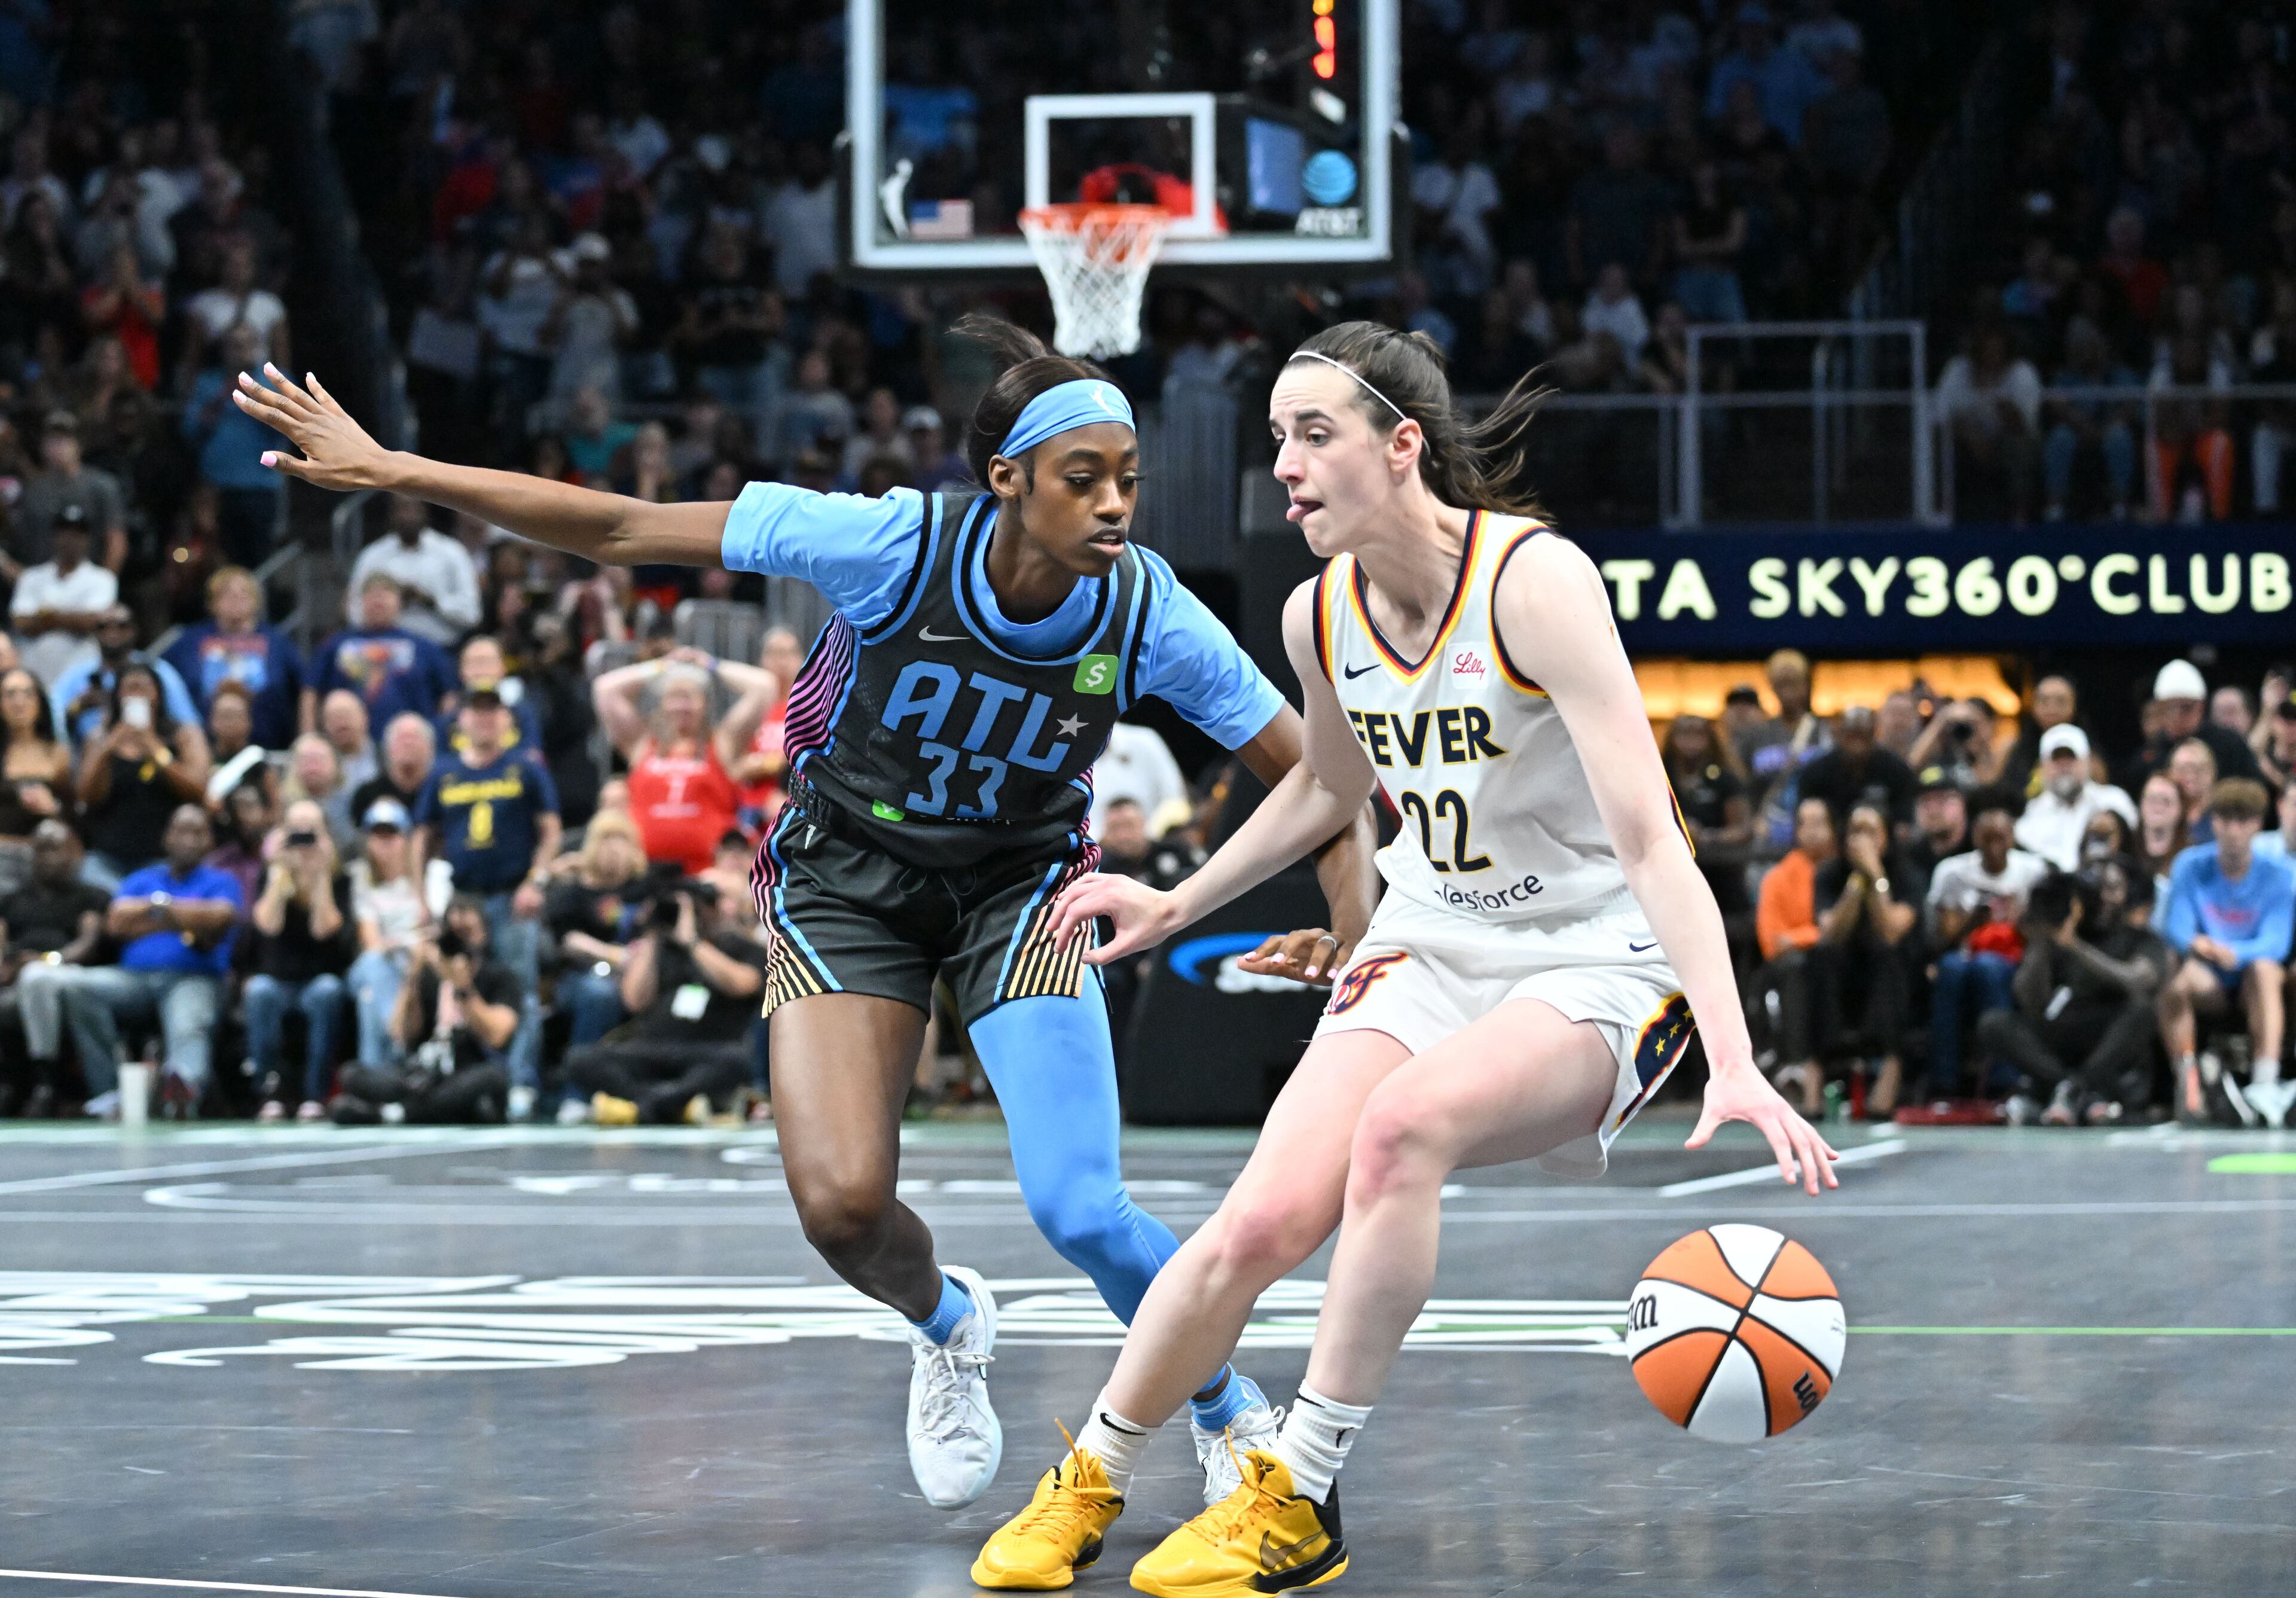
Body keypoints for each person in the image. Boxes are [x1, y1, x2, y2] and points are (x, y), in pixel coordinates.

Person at [233, 318, 1377, 1514]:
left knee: (1081, 1207)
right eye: (1082, 479)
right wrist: (401, 470)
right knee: (840, 1209)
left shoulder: (1145, 609)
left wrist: (1357, 927)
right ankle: (948, 1320)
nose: (1114, 507)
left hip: (1021, 887)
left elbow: (1326, 778)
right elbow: (625, 528)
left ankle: (1228, 1406)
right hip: (849, 881)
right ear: (1006, 482)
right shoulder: (883, 543)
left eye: (1128, 481)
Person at [967, 322, 1833, 1592]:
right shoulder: (1319, 614)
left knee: (1401, 1129)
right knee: (1257, 1217)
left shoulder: (1536, 583)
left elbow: (1653, 836)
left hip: (1597, 956)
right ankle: (1092, 1475)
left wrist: (1738, 1055)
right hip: (1437, 939)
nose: (1287, 467)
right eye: (1277, 440)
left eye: (1315, 435)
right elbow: (1328, 786)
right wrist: (1180, 898)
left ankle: (1299, 1493)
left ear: (1402, 445)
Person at [23, 804, 243, 1117]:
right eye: (182, 830)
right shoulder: (143, 878)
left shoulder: (222, 882)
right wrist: (185, 917)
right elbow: (116, 922)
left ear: (210, 842)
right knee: (78, 988)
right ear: (166, 838)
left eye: (198, 832)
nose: (189, 840)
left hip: (194, 977)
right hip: (133, 979)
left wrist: (153, 912)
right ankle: (109, 1093)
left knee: (188, 1022)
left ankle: (182, 1094)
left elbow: (220, 917)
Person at [564, 871, 771, 1124]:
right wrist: (652, 933)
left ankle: (641, 1107)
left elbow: (743, 984)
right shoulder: (662, 947)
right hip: (653, 1046)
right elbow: (634, 1000)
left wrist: (693, 943)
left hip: (707, 1049)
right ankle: (670, 1105)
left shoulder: (743, 947)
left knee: (735, 1062)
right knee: (581, 1059)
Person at [1979, 860, 2171, 1127]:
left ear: (2127, 893)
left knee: (2144, 1010)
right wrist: (2044, 937)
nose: (2103, 897)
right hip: (2064, 1026)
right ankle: (2068, 1086)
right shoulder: (2060, 932)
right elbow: (2030, 1000)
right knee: (1994, 1023)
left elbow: (2136, 981)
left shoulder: (2142, 939)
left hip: (2109, 1034)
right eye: (2095, 889)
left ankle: (2075, 1088)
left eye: (2113, 888)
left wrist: (2075, 947)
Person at [2158, 779, 2295, 1129]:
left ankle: (2265, 1081)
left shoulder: (2279, 875)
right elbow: (2177, 926)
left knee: (2265, 970)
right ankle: (2188, 1080)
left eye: (2243, 821)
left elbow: (2277, 942)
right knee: (2180, 981)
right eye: (2225, 820)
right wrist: (2199, 944)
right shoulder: (2190, 865)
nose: (2233, 830)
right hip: (2211, 980)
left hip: (2254, 980)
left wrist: (2235, 951)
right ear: (2213, 822)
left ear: (2256, 825)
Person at [332, 895, 520, 1125]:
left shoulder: (500, 977)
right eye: (453, 934)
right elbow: (401, 1034)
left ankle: (391, 1114)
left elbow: (498, 1035)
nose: (460, 942)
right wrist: (412, 977)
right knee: (352, 1073)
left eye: (467, 932)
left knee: (492, 1078)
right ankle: (412, 1110)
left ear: (484, 933)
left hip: (465, 1073)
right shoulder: (429, 977)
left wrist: (464, 990)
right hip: (423, 1076)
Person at [593, 647, 775, 874]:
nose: (681, 705)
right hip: (644, 872)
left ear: (704, 704)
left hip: (708, 872)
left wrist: (709, 664)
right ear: (662, 705)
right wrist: (661, 666)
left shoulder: (721, 746)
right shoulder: (643, 746)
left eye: (689, 697)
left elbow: (764, 686)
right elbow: (605, 690)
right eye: (674, 697)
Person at [1923, 800, 2050, 1101]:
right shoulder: (1952, 872)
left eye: (2001, 837)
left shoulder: (2033, 871)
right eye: (1987, 837)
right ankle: (1944, 1081)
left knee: (1989, 968)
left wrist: (2019, 919)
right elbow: (1940, 939)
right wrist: (1973, 920)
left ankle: (2002, 1080)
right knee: (1951, 971)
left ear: (2012, 837)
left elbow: (2042, 935)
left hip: (2012, 958)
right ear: (1975, 837)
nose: (1994, 844)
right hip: (1963, 953)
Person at [245, 798, 358, 1122]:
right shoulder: (271, 876)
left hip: (319, 979)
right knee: (259, 991)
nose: (304, 840)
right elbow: (267, 925)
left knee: (326, 992)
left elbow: (324, 929)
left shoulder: (340, 881)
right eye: (296, 831)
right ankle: (267, 1092)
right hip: (277, 980)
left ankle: (314, 1094)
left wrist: (319, 873)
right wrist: (282, 873)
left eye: (311, 832)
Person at [0, 821, 110, 1117]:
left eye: (56, 849)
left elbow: (86, 946)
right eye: (41, 850)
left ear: (75, 854)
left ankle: (44, 1082)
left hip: (69, 976)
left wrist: (45, 961)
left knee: (37, 980)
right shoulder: (11, 900)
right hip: (16, 981)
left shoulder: (91, 896)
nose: (48, 858)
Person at [76, 665, 213, 887]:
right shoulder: (100, 737)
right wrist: (108, 749)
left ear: (158, 694)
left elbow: (198, 790)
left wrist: (155, 749)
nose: (137, 695)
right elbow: (87, 796)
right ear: (118, 696)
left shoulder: (183, 735)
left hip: (162, 861)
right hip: (106, 859)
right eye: (130, 688)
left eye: (144, 688)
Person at [164, 565, 304, 751]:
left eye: (244, 593)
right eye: (226, 594)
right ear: (212, 603)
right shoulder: (189, 642)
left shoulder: (277, 642)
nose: (236, 599)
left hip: (269, 748)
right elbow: (160, 678)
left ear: (257, 601)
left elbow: (305, 688)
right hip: (203, 749)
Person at [546, 808, 647, 1053]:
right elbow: (569, 940)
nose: (614, 849)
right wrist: (612, 955)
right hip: (583, 974)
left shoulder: (644, 888)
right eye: (606, 840)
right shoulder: (575, 891)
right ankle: (579, 1080)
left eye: (622, 840)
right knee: (600, 994)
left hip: (639, 971)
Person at [307, 574, 459, 734]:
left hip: (409, 741)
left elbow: (449, 694)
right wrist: (309, 736)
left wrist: (443, 737)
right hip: (349, 744)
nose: (378, 600)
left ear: (399, 602)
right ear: (361, 602)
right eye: (372, 594)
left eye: (385, 594)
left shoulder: (424, 647)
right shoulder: (336, 645)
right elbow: (310, 691)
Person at [348, 797, 430, 1066]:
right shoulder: (361, 879)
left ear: (406, 839)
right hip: (377, 963)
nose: (385, 843)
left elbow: (430, 934)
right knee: (376, 965)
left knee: (368, 999)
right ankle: (398, 1045)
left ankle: (375, 1082)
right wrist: (398, 947)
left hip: (417, 962)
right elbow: (372, 942)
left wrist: (409, 950)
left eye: (392, 834)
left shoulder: (433, 876)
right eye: (377, 835)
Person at [50, 602, 200, 748]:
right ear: (94, 632)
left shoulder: (158, 671)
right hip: (88, 755)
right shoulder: (77, 676)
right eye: (103, 627)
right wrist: (79, 706)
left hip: (150, 753)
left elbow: (188, 723)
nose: (112, 632)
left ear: (134, 630)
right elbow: (50, 721)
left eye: (122, 625)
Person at [344, 493, 481, 646]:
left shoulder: (452, 552)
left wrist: (430, 601)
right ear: (391, 515)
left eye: (414, 508)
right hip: (385, 651)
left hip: (442, 650)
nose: (407, 516)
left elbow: (472, 615)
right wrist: (389, 604)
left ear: (426, 512)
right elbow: (353, 611)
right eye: (401, 509)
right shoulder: (373, 556)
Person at [8, 504, 115, 688]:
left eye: (78, 533)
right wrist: (70, 618)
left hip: (81, 676)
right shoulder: (32, 577)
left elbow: (93, 622)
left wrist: (44, 616)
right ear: (55, 536)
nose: (70, 539)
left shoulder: (102, 579)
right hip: (36, 672)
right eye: (65, 532)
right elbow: (20, 622)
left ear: (87, 539)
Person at [2115, 660, 2263, 792]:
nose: (2176, 716)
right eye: (2168, 708)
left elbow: (2254, 791)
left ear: (2201, 706)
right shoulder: (2151, 754)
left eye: (2185, 708)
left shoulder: (2229, 745)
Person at [2014, 725, 2136, 871]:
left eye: (2071, 759)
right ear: (2043, 766)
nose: (2064, 767)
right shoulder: (2032, 813)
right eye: (2056, 760)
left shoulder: (2114, 801)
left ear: (2087, 761)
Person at [1795, 704, 1917, 830]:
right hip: (1829, 840)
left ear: (1874, 735)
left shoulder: (1896, 771)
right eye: (1852, 737)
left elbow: (1905, 823)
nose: (1857, 746)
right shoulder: (1817, 773)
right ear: (1840, 735)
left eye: (1863, 737)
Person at [731, 626, 802, 835]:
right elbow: (735, 767)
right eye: (774, 653)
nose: (782, 661)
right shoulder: (754, 710)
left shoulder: (807, 708)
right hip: (750, 808)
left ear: (801, 659)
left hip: (793, 800)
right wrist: (777, 761)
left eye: (789, 653)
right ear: (763, 660)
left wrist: (763, 763)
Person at [0, 666, 72, 858]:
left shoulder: (58, 753)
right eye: (10, 694)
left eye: (28, 694)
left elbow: (75, 817)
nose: (19, 702)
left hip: (46, 856)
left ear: (40, 702)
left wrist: (53, 808)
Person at [351, 711, 437, 821]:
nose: (408, 743)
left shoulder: (441, 793)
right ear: (388, 748)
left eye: (415, 737)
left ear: (430, 748)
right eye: (401, 738)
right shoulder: (367, 796)